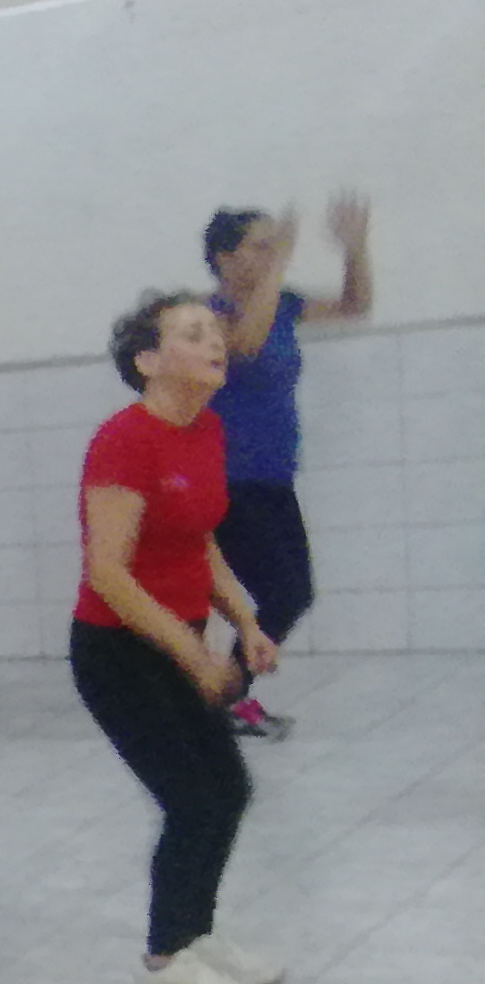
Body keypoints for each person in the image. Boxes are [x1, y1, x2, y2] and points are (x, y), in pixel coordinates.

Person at [69, 291, 285, 984]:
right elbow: (109, 573)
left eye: (214, 331)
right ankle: (165, 959)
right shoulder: (124, 441)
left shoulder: (206, 430)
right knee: (192, 798)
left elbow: (199, 539)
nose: (214, 342)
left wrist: (244, 621)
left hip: (178, 638)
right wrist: (194, 657)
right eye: (193, 333)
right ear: (149, 361)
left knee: (228, 790)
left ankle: (197, 935)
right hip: (118, 651)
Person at [204, 195, 372, 737]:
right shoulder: (208, 316)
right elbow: (246, 346)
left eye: (273, 246)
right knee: (282, 592)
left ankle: (225, 695)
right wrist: (281, 262)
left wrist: (354, 248)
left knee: (295, 592)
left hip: (273, 478)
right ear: (226, 258)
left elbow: (354, 305)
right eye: (260, 246)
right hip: (227, 481)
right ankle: (220, 698)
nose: (273, 254)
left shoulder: (285, 304)